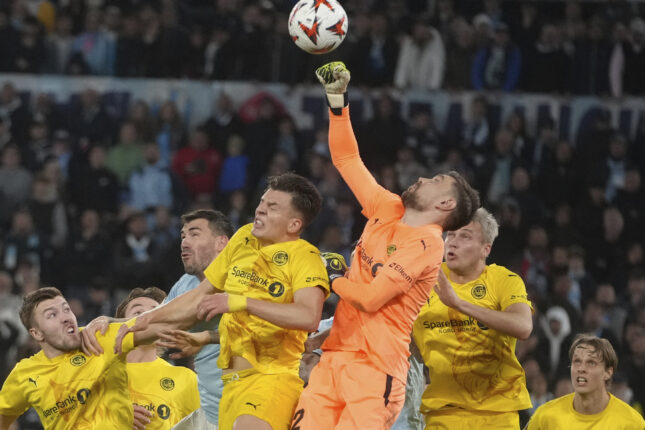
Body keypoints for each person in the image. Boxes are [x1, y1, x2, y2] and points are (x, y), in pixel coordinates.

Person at [293, 62, 480, 430]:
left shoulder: (428, 244)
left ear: (446, 204)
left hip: (376, 370)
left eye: (435, 181)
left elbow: (371, 298)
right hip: (335, 357)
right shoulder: (387, 207)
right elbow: (346, 159)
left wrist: (333, 277)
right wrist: (337, 103)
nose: (423, 178)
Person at [115, 172, 330, 430]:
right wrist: (145, 318)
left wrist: (240, 302)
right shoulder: (244, 238)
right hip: (231, 386)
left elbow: (309, 316)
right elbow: (199, 295)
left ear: (293, 224)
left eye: (272, 207)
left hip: (271, 378)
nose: (260, 210)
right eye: (262, 202)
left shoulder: (306, 258)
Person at [81, 209, 234, 429]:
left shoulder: (242, 279)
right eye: (183, 236)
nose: (184, 242)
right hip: (214, 407)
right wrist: (109, 322)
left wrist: (205, 336)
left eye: (194, 234)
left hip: (245, 396)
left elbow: (256, 331)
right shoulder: (185, 284)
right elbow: (155, 320)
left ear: (221, 242)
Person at [413, 207, 533, 429]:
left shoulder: (503, 279)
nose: (453, 242)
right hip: (442, 413)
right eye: (450, 235)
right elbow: (406, 343)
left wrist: (458, 304)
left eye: (465, 236)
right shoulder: (423, 280)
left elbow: (523, 326)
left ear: (485, 249)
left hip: (497, 413)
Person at [0, 287, 141, 428]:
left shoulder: (98, 337)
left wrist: (111, 320)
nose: (65, 318)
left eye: (66, 309)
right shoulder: (25, 373)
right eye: (52, 315)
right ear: (36, 333)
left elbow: (151, 321)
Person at [115, 287, 200, 430]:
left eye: (155, 313)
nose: (147, 318)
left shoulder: (186, 380)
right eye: (138, 312)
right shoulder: (98, 374)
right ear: (120, 326)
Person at [525, 334, 645, 429]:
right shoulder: (545, 417)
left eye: (591, 363)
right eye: (577, 361)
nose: (581, 369)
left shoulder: (631, 423)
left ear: (608, 372)